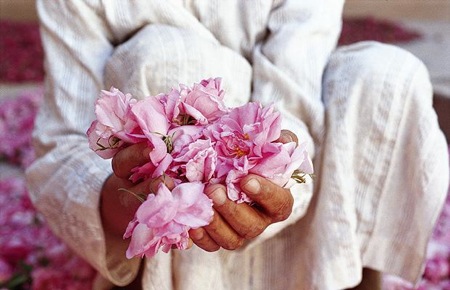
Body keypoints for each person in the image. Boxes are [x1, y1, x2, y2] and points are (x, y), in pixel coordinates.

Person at [26, 1, 449, 289]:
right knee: (172, 57)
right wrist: (133, 203)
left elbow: (290, 107)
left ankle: (342, 280)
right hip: (164, 226)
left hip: (290, 203)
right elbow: (62, 147)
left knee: (386, 74)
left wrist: (275, 190)